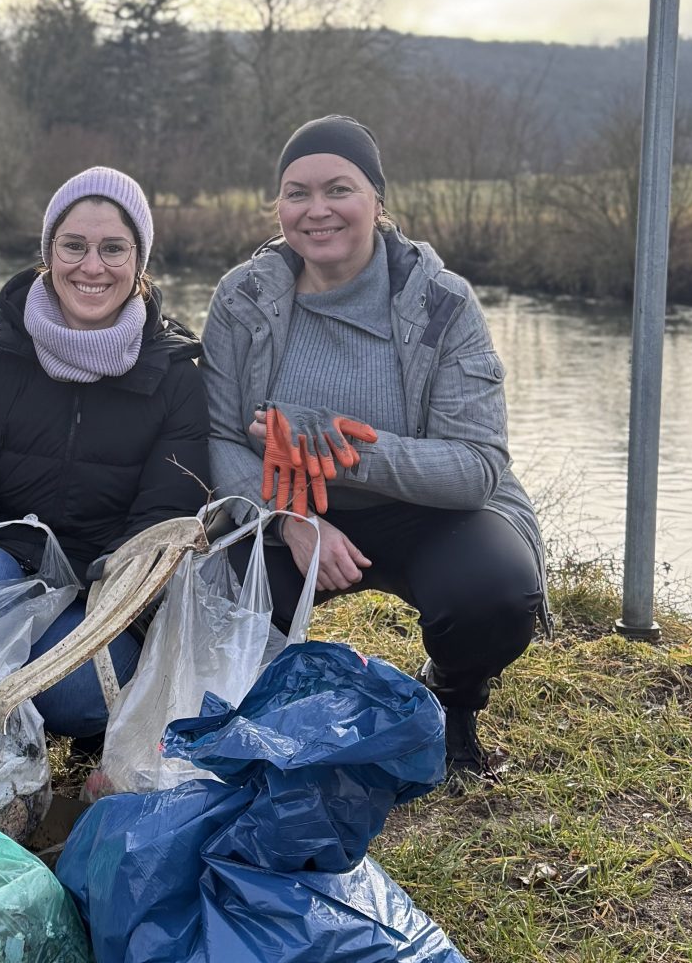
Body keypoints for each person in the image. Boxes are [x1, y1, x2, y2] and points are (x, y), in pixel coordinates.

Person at [201, 117, 545, 782]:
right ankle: (261, 711)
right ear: (278, 207)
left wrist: (346, 449)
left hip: (429, 508)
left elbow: (477, 466)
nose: (317, 209)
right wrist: (290, 519)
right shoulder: (241, 299)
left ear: (378, 202)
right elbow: (218, 435)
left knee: (497, 594)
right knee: (211, 591)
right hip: (292, 507)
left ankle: (452, 700)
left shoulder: (443, 304)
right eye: (297, 192)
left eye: (339, 189)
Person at [0, 166, 211, 741]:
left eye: (113, 249)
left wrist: (111, 577)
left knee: (92, 692)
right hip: (1, 577)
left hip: (102, 600)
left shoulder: (176, 379)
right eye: (73, 245)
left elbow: (162, 521)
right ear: (49, 253)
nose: (92, 267)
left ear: (139, 260)